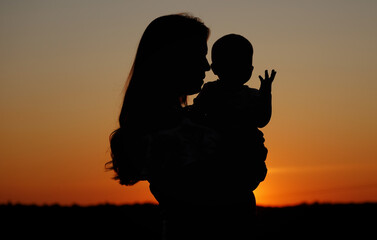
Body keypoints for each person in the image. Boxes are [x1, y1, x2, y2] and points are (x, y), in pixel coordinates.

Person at [106, 14, 266, 240]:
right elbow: (228, 187)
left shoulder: (181, 120)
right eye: (200, 55)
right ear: (174, 59)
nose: (207, 66)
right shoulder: (167, 127)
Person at [193, 34, 276, 188]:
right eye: (232, 63)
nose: (241, 69)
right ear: (216, 68)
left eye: (245, 64)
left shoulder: (252, 95)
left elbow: (262, 119)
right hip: (217, 154)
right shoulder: (211, 91)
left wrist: (266, 94)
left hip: (247, 153)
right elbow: (196, 113)